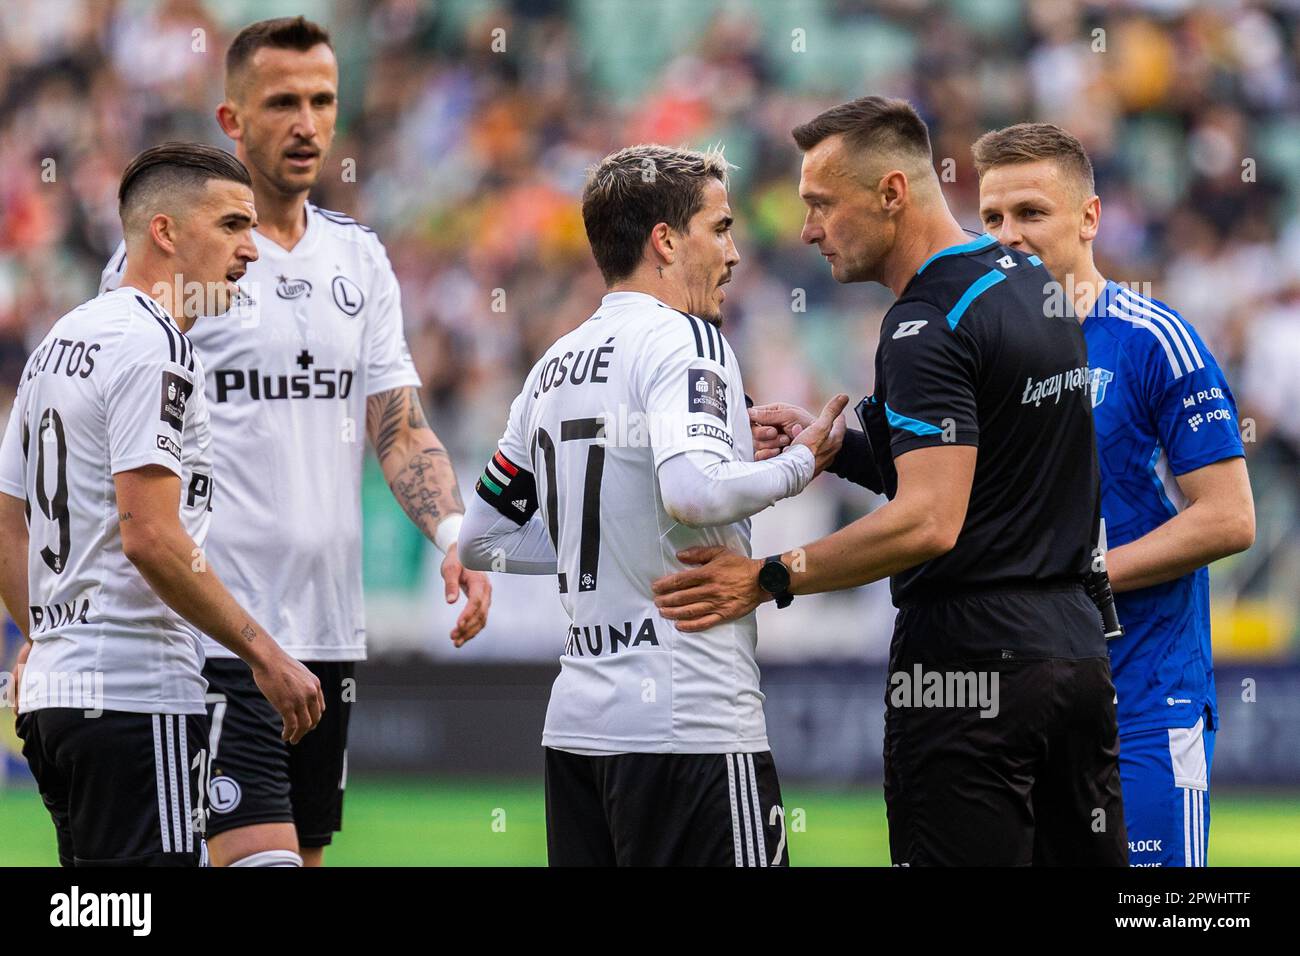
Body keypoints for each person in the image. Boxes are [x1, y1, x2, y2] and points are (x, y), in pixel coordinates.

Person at [653, 97, 1127, 866]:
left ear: (892, 193)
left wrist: (771, 575)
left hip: (967, 671)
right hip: (1075, 657)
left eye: (820, 205)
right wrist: (841, 446)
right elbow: (998, 459)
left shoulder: (922, 325)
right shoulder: (1034, 284)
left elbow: (930, 522)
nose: (808, 229)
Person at [99, 16, 491, 868]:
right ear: (231, 121)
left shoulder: (359, 259)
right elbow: (111, 421)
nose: (308, 123)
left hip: (327, 626)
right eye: (283, 102)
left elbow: (399, 423)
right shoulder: (183, 261)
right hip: (215, 631)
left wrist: (455, 534)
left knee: (301, 859)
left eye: (322, 100)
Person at [458, 144, 846, 866]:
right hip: (689, 721)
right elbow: (692, 492)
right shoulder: (688, 338)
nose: (733, 253)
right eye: (720, 227)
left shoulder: (552, 364)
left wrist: (604, 537)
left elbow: (482, 539)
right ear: (666, 241)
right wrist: (801, 463)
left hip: (578, 732)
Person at [0, 142, 322, 867]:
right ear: (166, 232)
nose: (252, 249)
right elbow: (149, 535)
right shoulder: (154, 346)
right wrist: (264, 653)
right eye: (234, 225)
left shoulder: (58, 341)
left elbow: (6, 526)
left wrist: (49, 636)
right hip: (136, 694)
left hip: (57, 700)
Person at [972, 122, 1254, 866]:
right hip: (1022, 704)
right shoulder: (978, 351)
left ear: (1090, 218)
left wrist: (1083, 576)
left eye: (1031, 213)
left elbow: (1229, 517)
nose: (1009, 236)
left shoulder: (1154, 339)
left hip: (1144, 700)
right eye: (993, 219)